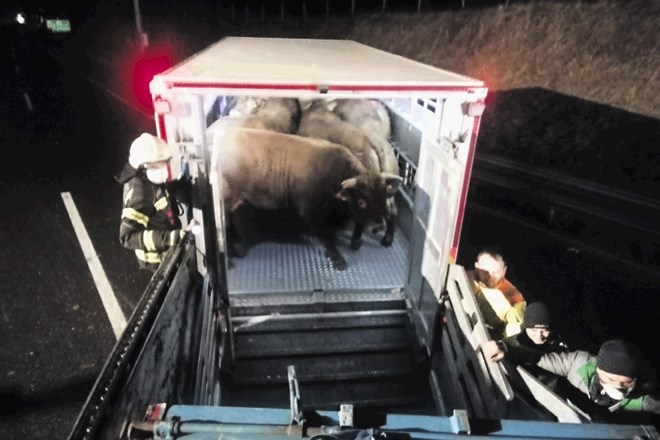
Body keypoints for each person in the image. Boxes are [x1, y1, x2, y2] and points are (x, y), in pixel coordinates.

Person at [483, 338, 660, 420]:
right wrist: (506, 349)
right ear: (598, 369)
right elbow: (542, 359)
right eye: (610, 379)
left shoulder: (644, 397)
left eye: (626, 382)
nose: (618, 387)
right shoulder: (578, 363)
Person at [115, 133, 194, 272]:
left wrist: (178, 186)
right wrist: (172, 237)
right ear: (143, 167)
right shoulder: (140, 191)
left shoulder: (148, 181)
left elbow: (159, 195)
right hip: (159, 261)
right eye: (157, 166)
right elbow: (127, 237)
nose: (163, 169)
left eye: (164, 163)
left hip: (167, 251)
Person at [485, 301, 569, 388]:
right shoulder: (518, 342)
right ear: (526, 327)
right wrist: (502, 347)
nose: (539, 336)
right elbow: (511, 346)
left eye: (544, 330)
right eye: (534, 330)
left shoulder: (558, 340)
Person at [467, 248, 527, 340]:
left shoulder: (516, 298)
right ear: (477, 267)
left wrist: (503, 307)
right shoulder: (465, 277)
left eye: (496, 272)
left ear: (504, 271)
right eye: (485, 271)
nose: (490, 276)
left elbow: (515, 333)